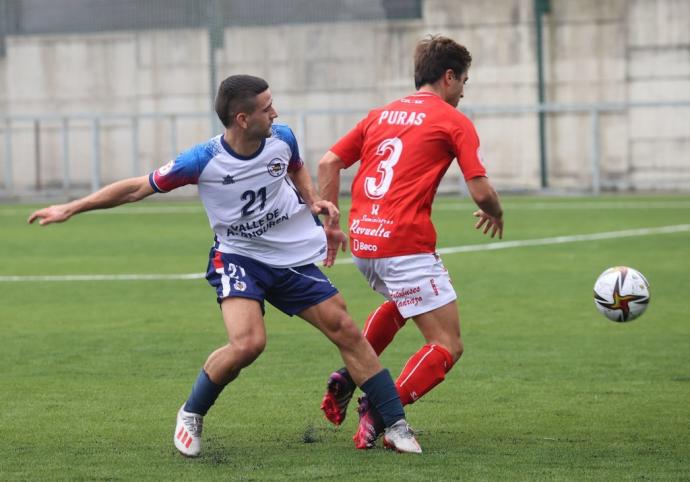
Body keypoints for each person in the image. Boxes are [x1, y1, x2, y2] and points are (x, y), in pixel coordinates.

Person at [28, 74, 422, 456]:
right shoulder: (202, 160)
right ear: (242, 119)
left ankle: (396, 424)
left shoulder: (280, 138)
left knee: (347, 331)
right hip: (238, 257)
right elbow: (136, 187)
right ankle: (192, 412)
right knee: (249, 343)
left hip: (287, 256)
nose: (276, 113)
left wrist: (312, 199)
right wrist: (72, 207)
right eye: (267, 108)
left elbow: (296, 165)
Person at [317, 35, 504, 449]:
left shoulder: (380, 114)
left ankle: (349, 376)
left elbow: (329, 161)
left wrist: (328, 224)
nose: (463, 90)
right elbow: (481, 192)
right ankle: (382, 409)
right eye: (464, 81)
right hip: (404, 244)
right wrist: (496, 210)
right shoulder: (452, 120)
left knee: (403, 303)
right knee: (447, 344)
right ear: (449, 76)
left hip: (366, 243)